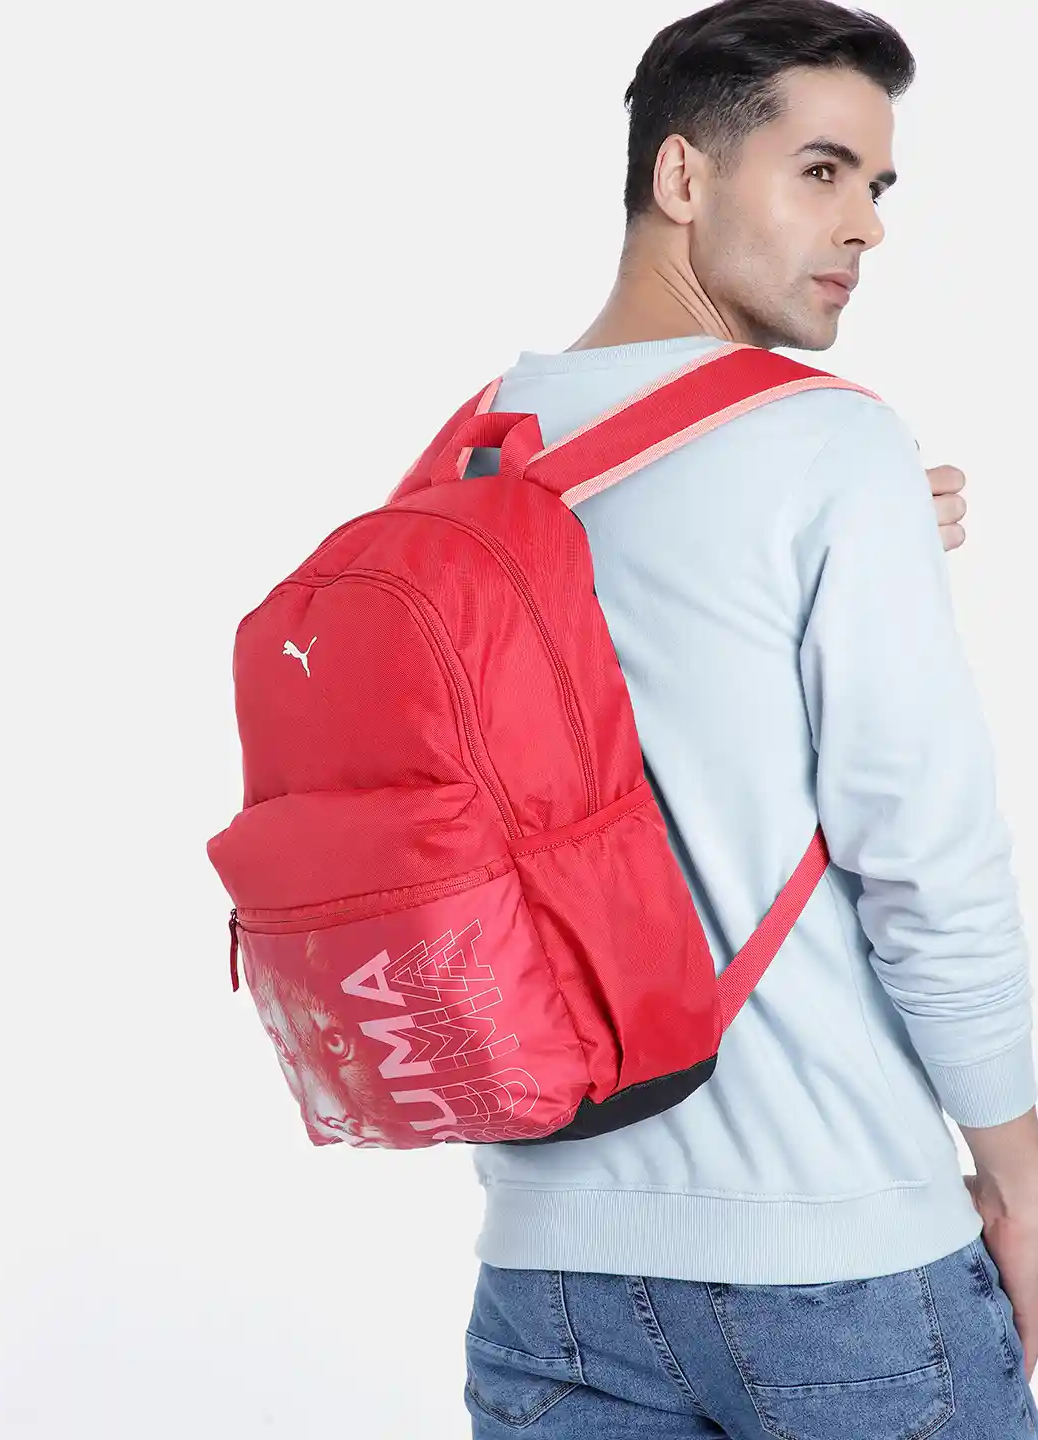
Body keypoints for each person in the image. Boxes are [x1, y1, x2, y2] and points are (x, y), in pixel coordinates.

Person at [458, 3, 1038, 1436]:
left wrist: (865, 530)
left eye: (878, 185)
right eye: (822, 171)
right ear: (683, 176)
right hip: (837, 1258)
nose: (867, 226)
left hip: (546, 1275)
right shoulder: (827, 439)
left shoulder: (477, 452)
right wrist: (1023, 1184)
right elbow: (926, 861)